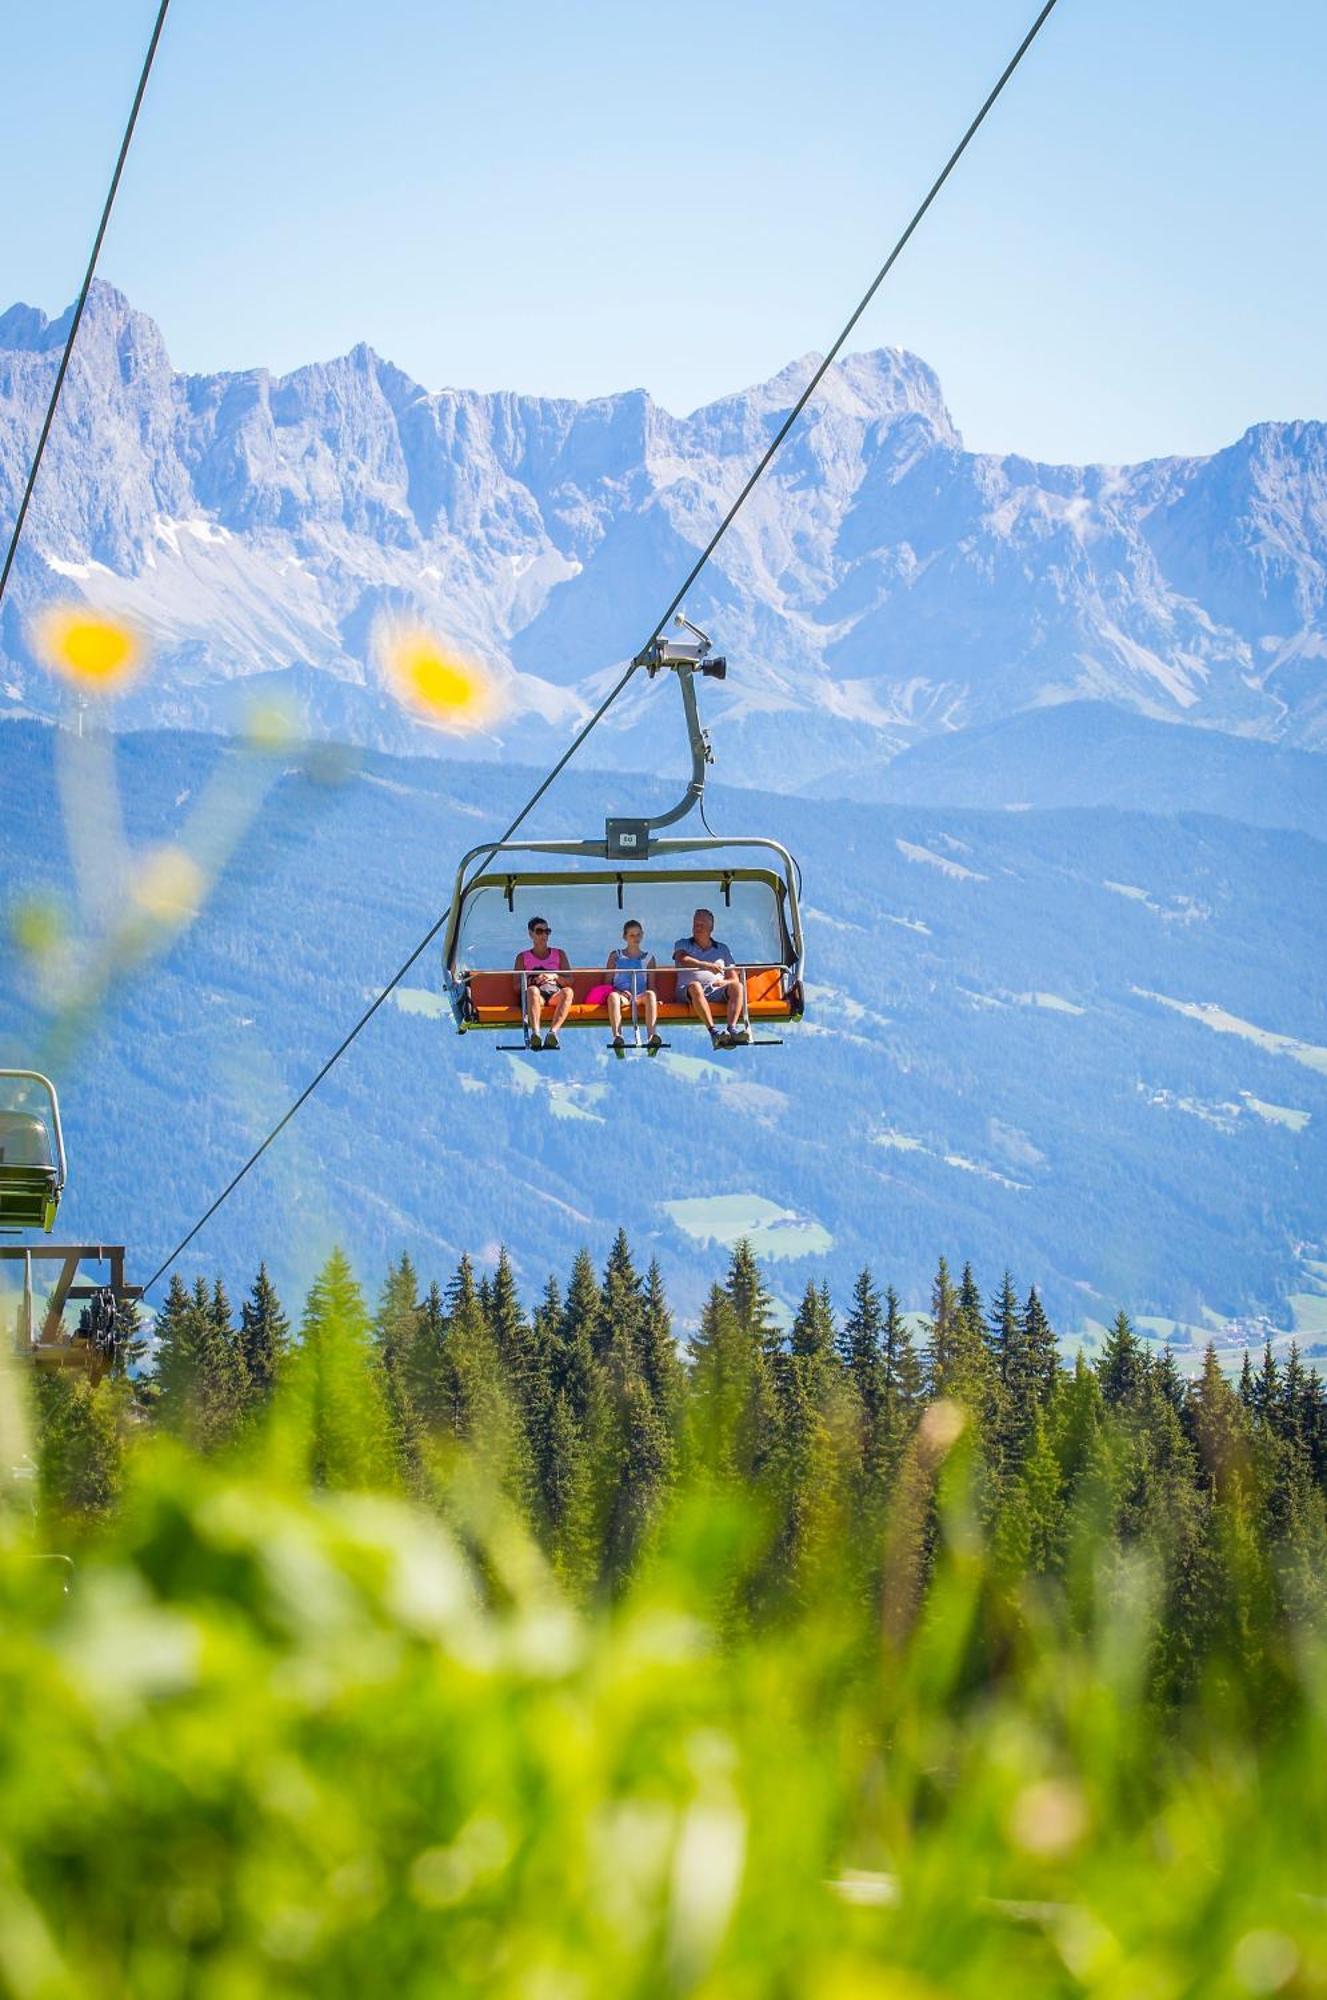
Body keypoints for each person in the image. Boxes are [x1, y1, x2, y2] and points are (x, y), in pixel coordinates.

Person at [673, 906, 748, 1048]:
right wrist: (705, 965)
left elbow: (734, 978)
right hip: (688, 992)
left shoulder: (722, 949)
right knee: (695, 986)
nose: (697, 928)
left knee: (737, 987)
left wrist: (724, 982)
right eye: (695, 924)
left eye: (701, 925)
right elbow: (682, 959)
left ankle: (732, 1029)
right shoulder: (683, 944)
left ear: (710, 928)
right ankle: (713, 1032)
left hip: (715, 991)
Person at [514, 916, 574, 1050]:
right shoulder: (522, 957)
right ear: (531, 934)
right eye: (540, 931)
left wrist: (554, 976)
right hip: (536, 995)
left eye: (547, 931)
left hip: (554, 993)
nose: (544, 935)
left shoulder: (559, 954)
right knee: (532, 991)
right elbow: (516, 986)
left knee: (568, 992)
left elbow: (570, 980)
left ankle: (553, 1033)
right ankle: (535, 1033)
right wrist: (532, 980)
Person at [606, 919, 662, 1056]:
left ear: (642, 935)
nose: (635, 938)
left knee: (650, 995)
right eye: (632, 935)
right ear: (625, 937)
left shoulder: (648, 959)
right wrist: (619, 991)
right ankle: (618, 1037)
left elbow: (652, 985)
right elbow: (607, 982)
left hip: (640, 996)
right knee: (613, 997)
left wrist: (655, 999)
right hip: (622, 995)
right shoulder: (616, 956)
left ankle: (651, 1037)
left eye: (638, 935)